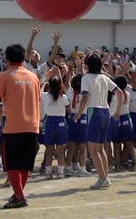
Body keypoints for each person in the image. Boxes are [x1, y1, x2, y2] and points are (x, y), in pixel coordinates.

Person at [0, 44, 41, 209]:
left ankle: (19, 196)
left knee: (12, 164)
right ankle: (17, 194)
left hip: (13, 126)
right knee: (25, 165)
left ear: (7, 59)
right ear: (23, 59)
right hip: (32, 125)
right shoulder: (33, 77)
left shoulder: (3, 77)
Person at [74, 53, 122, 190]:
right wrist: (118, 110)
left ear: (87, 65)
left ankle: (102, 178)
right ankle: (105, 176)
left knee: (94, 149)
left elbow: (85, 96)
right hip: (105, 112)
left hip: (94, 112)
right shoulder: (104, 78)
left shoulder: (86, 78)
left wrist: (78, 113)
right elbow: (119, 92)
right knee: (101, 149)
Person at [41, 75, 70, 179]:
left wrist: (44, 83)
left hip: (49, 122)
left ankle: (48, 172)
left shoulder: (45, 96)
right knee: (60, 150)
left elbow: (39, 94)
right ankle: (60, 172)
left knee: (49, 149)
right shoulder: (64, 97)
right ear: (60, 86)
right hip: (61, 122)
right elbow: (69, 110)